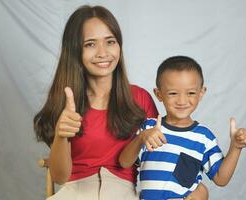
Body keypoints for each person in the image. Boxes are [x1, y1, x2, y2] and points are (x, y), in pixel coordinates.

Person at [33, 5, 208, 200]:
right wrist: (61, 135)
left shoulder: (139, 98)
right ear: (74, 50)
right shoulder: (66, 103)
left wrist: (193, 185)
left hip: (125, 192)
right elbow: (59, 176)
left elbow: (165, 151)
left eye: (110, 42)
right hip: (75, 191)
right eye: (90, 44)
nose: (103, 53)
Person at [119, 55, 246, 199]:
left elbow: (221, 179)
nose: (182, 101)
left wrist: (235, 147)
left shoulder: (203, 137)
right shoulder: (149, 129)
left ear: (201, 93)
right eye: (173, 93)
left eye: (190, 93)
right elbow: (124, 162)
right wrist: (141, 138)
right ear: (159, 94)